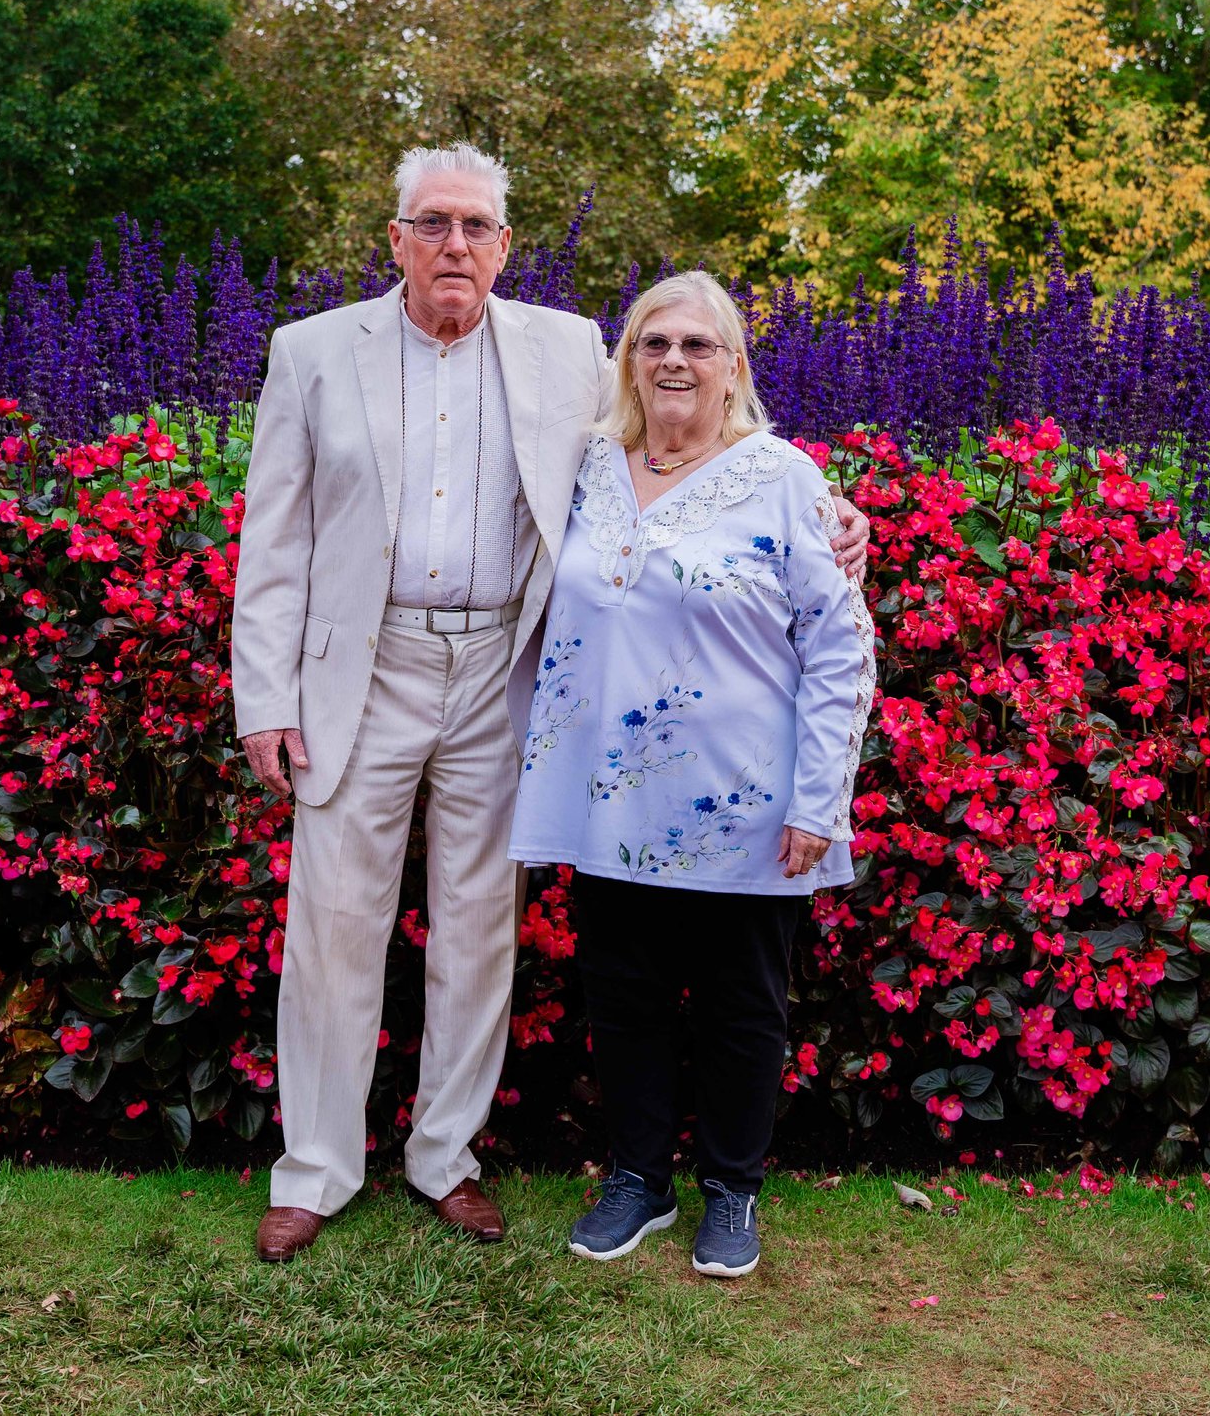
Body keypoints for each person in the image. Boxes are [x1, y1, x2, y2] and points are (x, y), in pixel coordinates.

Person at [230, 147, 868, 1263]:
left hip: (499, 671)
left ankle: (445, 1159)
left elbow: (695, 439)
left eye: (476, 226)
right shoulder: (313, 353)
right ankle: (317, 1168)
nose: (455, 246)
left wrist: (835, 512)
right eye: (431, 224)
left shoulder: (568, 349)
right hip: (361, 671)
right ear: (394, 238)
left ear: (506, 244)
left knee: (478, 926)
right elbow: (271, 541)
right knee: (333, 921)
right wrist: (263, 698)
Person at [507, 271, 877, 1281]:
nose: (674, 359)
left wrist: (816, 796)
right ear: (628, 359)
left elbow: (839, 645)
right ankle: (636, 1174)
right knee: (620, 990)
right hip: (608, 796)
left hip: (742, 798)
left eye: (697, 344)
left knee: (738, 1002)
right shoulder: (584, 467)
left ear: (733, 366)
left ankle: (730, 1183)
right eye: (654, 341)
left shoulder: (785, 476)